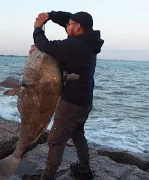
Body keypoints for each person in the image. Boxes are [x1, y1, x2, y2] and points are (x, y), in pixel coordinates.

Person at [22, 11, 104, 180]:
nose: (66, 26)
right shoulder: (89, 42)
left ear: (78, 27)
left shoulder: (75, 45)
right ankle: (84, 168)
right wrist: (50, 16)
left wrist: (38, 28)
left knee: (55, 139)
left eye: (69, 25)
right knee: (77, 133)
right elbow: (68, 18)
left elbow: (45, 45)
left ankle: (47, 176)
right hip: (85, 100)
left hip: (71, 102)